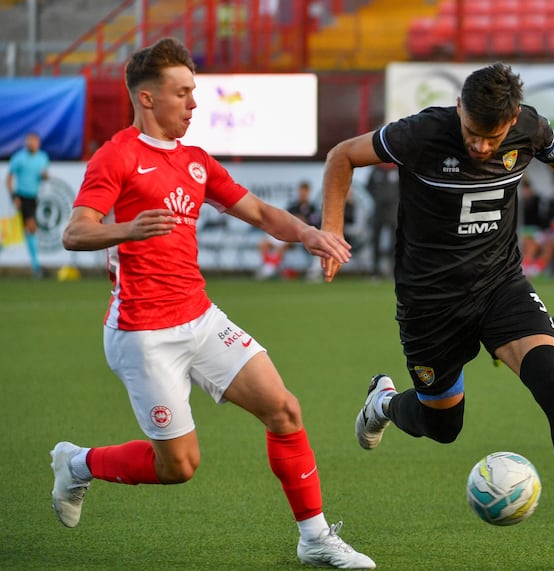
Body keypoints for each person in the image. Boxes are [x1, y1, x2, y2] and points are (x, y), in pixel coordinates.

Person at [320, 62, 554, 567]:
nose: (481, 148)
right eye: (472, 134)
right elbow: (342, 156)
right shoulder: (420, 132)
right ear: (459, 108)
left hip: (500, 286)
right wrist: (332, 230)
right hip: (430, 303)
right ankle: (382, 404)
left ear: (511, 122)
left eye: (493, 138)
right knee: (443, 425)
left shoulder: (529, 126)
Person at [49, 37, 374, 570]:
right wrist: (127, 228)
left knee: (284, 409)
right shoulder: (117, 156)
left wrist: (311, 234)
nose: (194, 104)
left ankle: (314, 538)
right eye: (183, 94)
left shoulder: (196, 162)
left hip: (200, 318)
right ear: (147, 99)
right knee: (178, 466)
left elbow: (262, 213)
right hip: (143, 333)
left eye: (194, 92)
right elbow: (75, 232)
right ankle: (77, 464)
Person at [6, 131, 49, 278]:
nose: (31, 143)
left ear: (38, 142)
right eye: (29, 141)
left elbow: (43, 176)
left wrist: (44, 177)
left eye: (34, 141)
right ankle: (36, 267)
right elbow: (9, 178)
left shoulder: (43, 157)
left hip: (33, 198)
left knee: (18, 232)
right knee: (31, 228)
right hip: (22, 197)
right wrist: (14, 196)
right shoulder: (19, 158)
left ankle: (35, 267)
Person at [364, 163, 400, 278]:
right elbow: (368, 186)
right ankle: (375, 271)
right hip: (378, 211)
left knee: (394, 241)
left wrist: (396, 200)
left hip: (393, 211)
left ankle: (393, 269)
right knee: (375, 241)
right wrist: (377, 197)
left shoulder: (397, 169)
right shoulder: (376, 170)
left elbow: (405, 187)